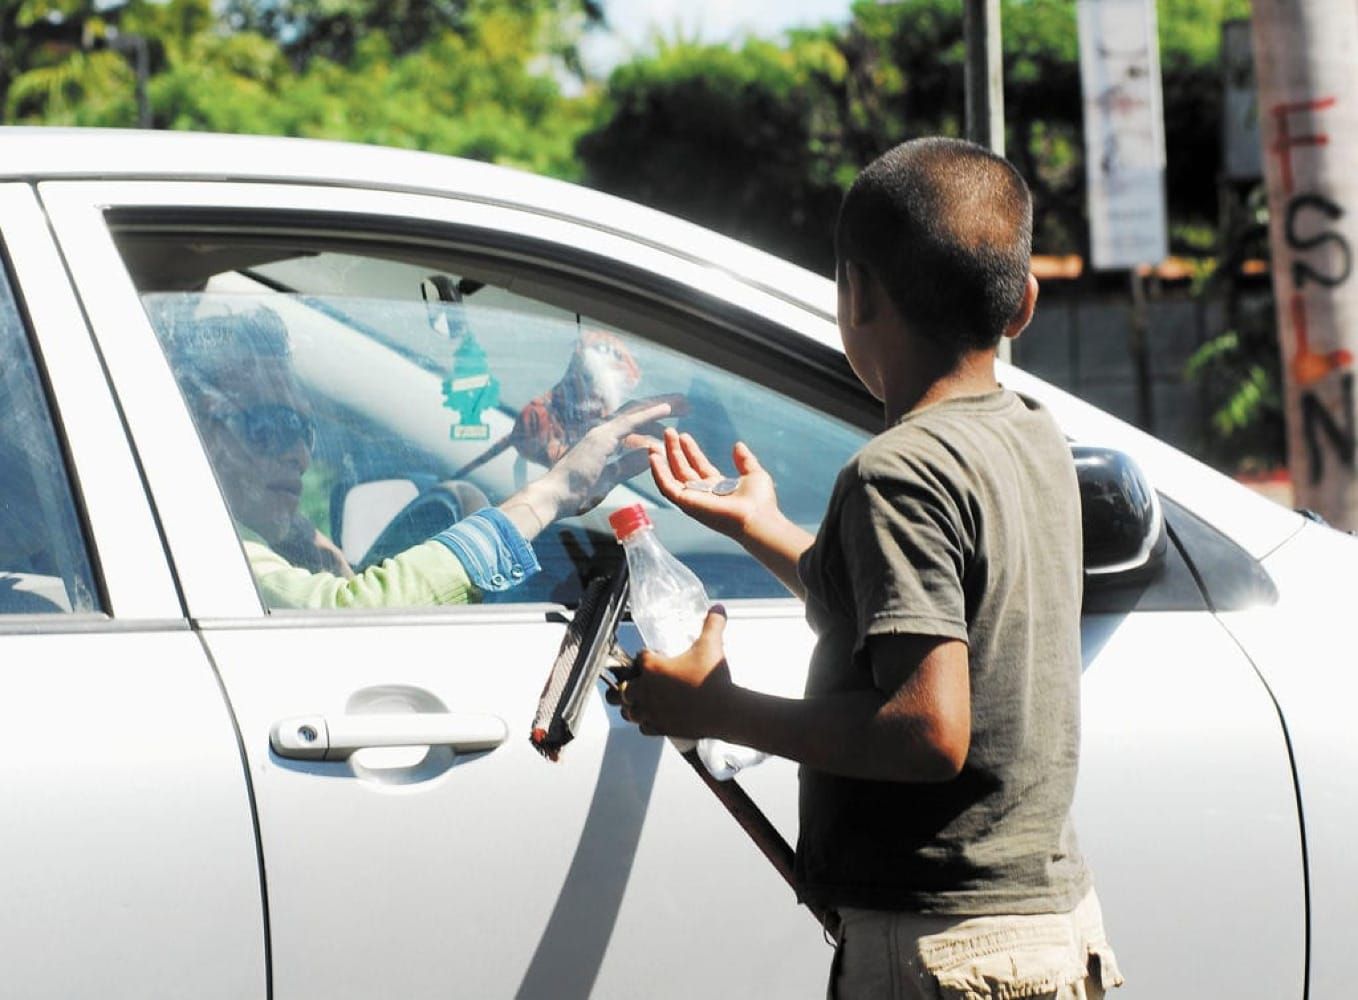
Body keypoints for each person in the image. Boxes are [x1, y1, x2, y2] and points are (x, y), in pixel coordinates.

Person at [614, 138, 1124, 999]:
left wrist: (719, 709)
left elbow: (928, 729)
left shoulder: (897, 472)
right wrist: (764, 527)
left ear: (854, 295)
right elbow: (915, 612)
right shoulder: (1029, 434)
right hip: (1043, 926)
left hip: (945, 952)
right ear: (1024, 304)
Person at [159, 304, 670, 610]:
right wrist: (551, 495)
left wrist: (308, 545)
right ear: (201, 431)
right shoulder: (197, 547)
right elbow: (350, 617)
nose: (298, 454)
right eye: (270, 428)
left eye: (306, 431)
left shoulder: (237, 550)